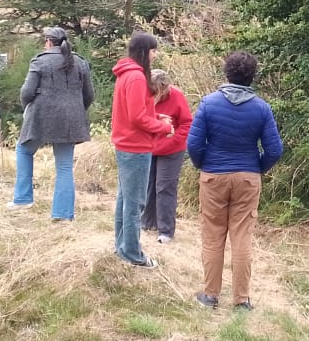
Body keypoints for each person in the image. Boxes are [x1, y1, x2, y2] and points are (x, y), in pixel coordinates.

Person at [187, 51, 283, 311]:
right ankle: (241, 300)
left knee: (213, 235)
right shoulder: (261, 108)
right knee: (242, 238)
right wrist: (257, 169)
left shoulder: (209, 103)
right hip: (247, 177)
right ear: (252, 76)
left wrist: (204, 165)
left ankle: (210, 296)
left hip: (214, 175)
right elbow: (274, 149)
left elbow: (193, 144)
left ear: (227, 73)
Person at [8, 27, 94, 222]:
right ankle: (62, 214)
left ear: (48, 42)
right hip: (70, 119)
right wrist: (77, 110)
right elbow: (89, 95)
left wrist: (27, 109)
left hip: (41, 116)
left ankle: (22, 199)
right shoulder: (80, 62)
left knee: (24, 150)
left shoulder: (40, 61)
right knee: (64, 166)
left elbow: (26, 92)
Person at [110, 32, 174, 268]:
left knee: (125, 200)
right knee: (135, 203)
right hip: (135, 147)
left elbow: (135, 112)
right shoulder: (137, 77)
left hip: (125, 144)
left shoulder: (126, 74)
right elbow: (137, 118)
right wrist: (163, 127)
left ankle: (122, 247)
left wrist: (156, 117)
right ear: (145, 51)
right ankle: (132, 253)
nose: (155, 55)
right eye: (153, 50)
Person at [141, 69, 192, 244]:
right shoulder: (143, 94)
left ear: (164, 89)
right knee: (148, 185)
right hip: (148, 147)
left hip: (171, 149)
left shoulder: (176, 96)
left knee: (165, 187)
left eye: (157, 91)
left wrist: (174, 140)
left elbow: (187, 123)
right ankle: (147, 222)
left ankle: (166, 230)